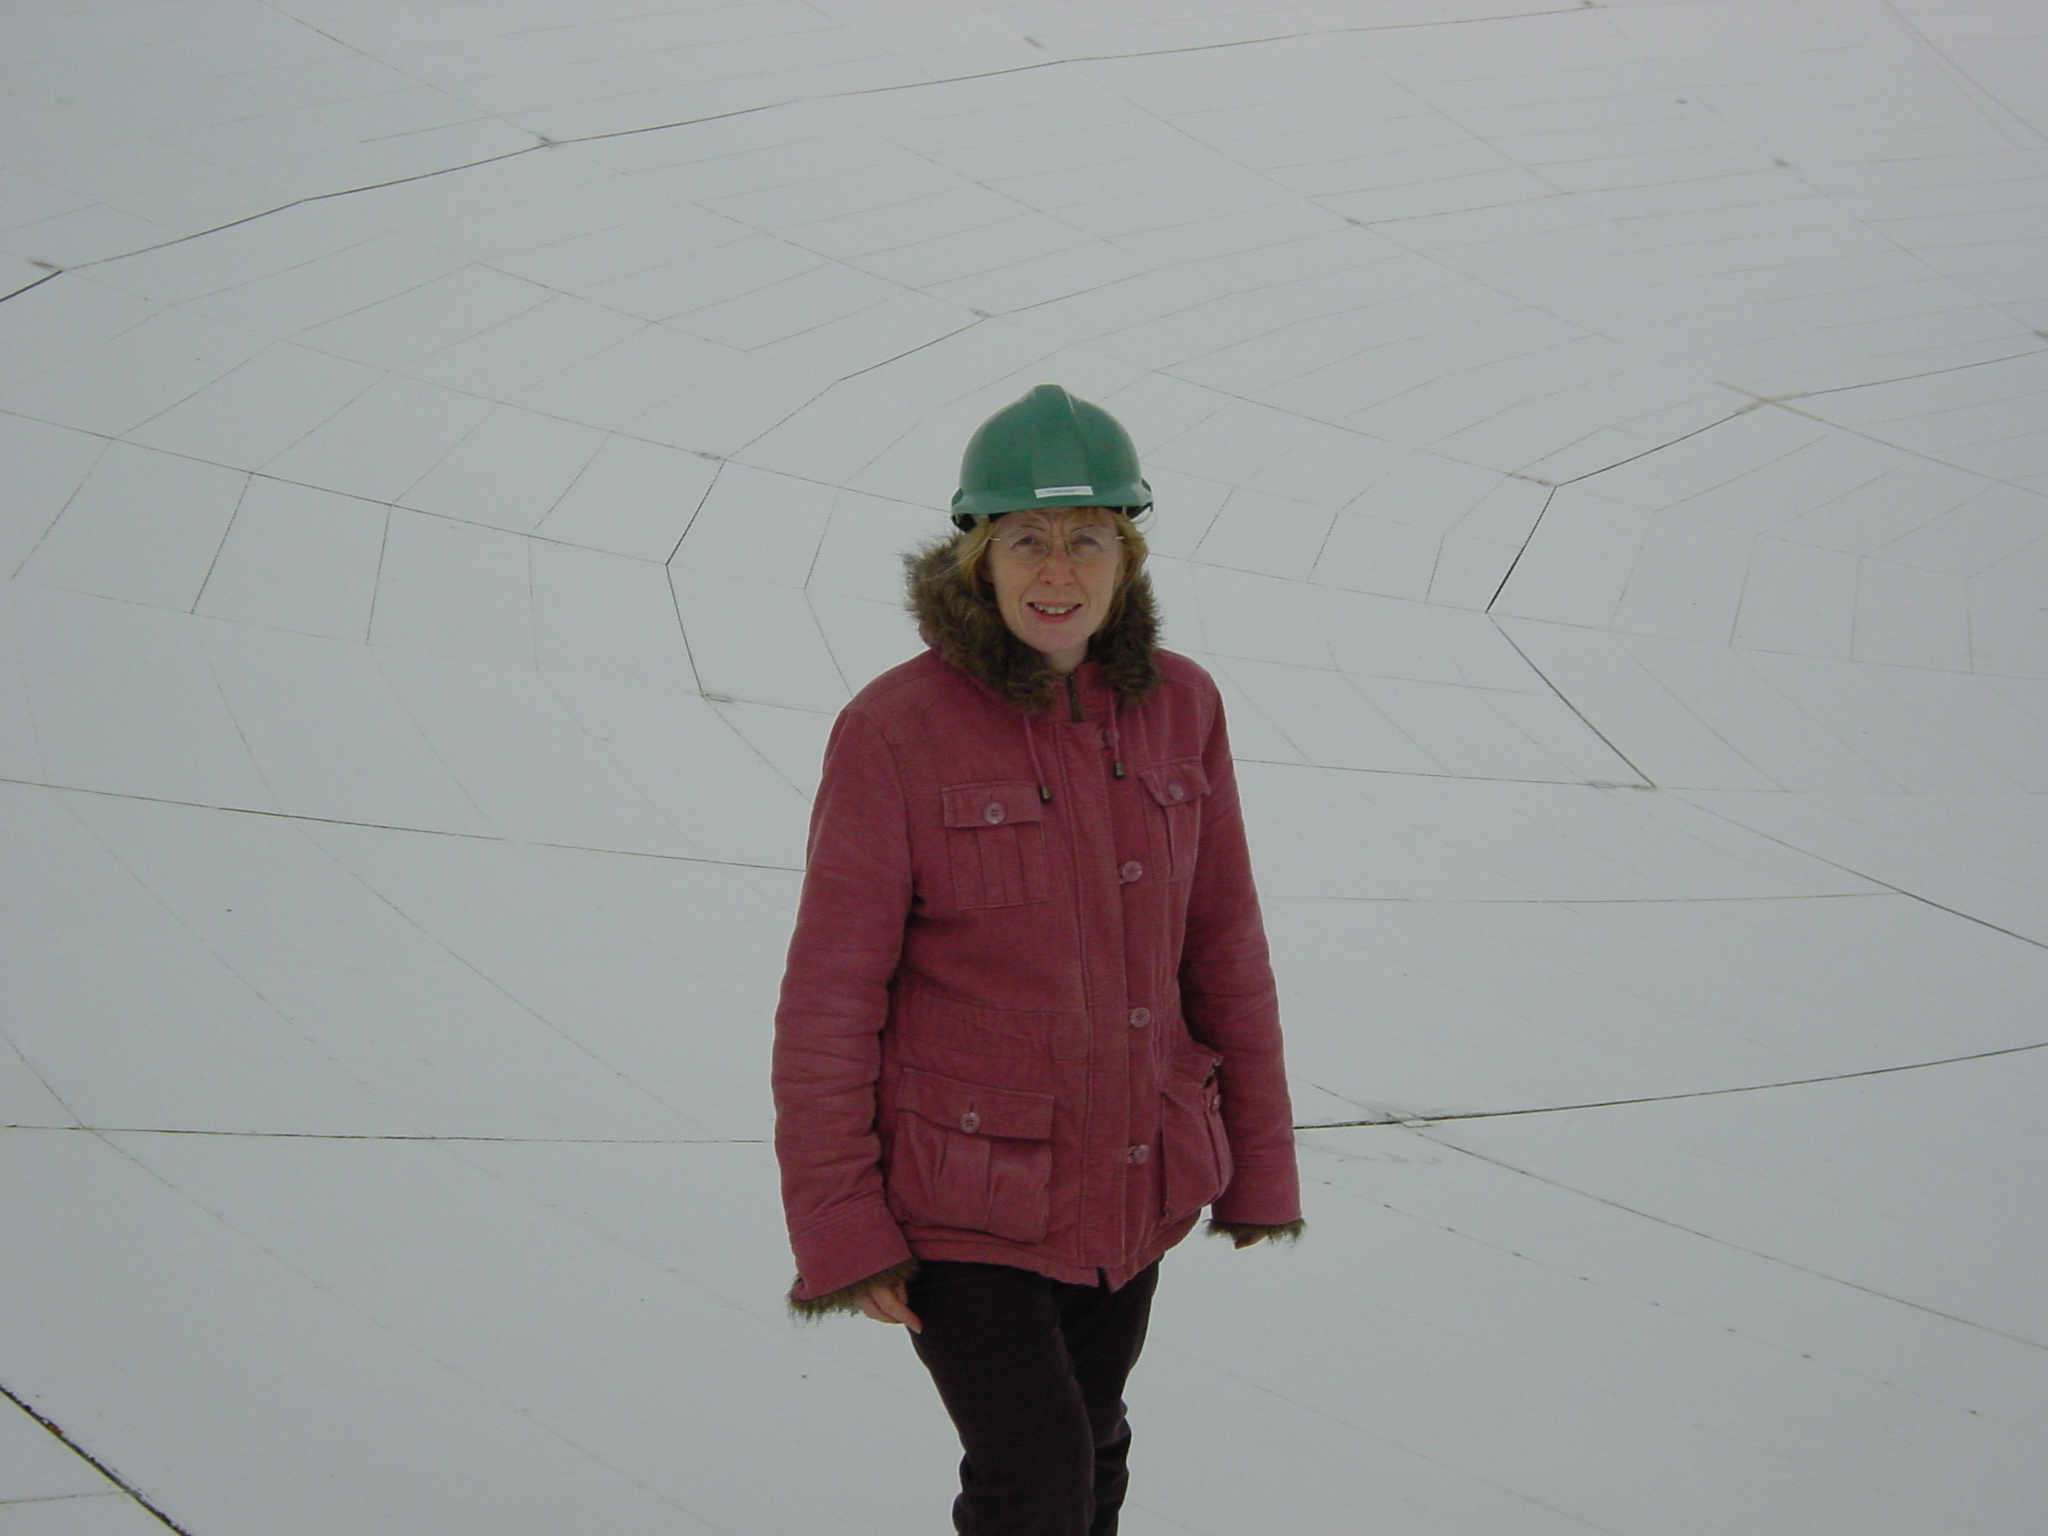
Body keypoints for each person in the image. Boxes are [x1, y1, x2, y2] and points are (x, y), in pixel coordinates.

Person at [772, 384, 1302, 1536]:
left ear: (1126, 553)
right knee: (1036, 1477)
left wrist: (1258, 1163)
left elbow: (1222, 946)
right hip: (961, 1199)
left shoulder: (1181, 708)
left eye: (1086, 539)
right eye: (1025, 539)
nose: (1055, 570)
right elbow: (827, 1000)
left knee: (1092, 1446)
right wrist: (840, 1228)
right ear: (976, 552)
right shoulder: (894, 731)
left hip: (1129, 1175)